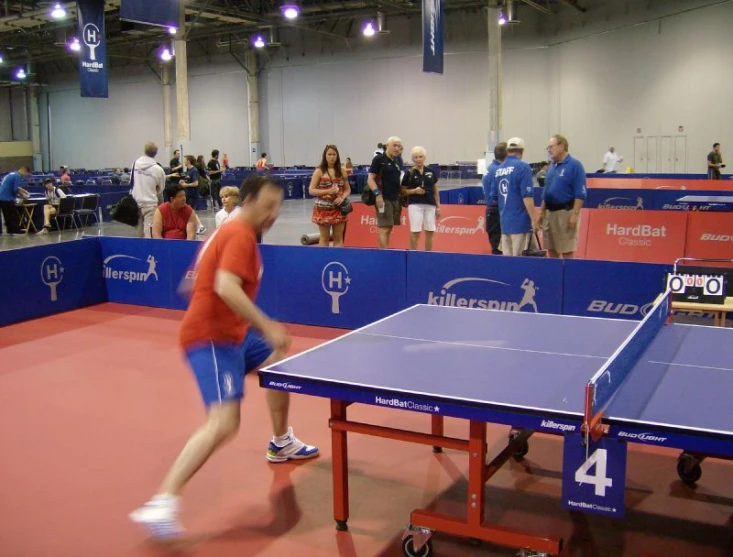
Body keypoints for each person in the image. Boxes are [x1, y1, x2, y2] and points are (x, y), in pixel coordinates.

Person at [129, 175, 318, 539]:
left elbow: (194, 279)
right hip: (211, 338)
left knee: (278, 359)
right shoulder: (238, 234)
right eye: (267, 206)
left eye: (277, 207)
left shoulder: (229, 232)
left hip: (235, 334)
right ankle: (163, 500)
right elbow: (225, 286)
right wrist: (266, 324)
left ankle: (280, 442)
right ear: (247, 201)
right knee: (224, 423)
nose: (273, 214)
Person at [537, 134, 587, 259]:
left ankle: (568, 276)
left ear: (561, 146)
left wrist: (575, 214)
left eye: (551, 147)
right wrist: (541, 212)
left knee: (566, 250)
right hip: (550, 213)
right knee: (551, 249)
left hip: (565, 213)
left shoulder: (575, 165)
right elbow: (546, 192)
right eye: (547, 147)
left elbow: (580, 193)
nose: (549, 150)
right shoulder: (551, 167)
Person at [492, 138, 537, 256]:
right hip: (520, 224)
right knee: (521, 260)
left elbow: (494, 196)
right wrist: (534, 219)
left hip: (505, 224)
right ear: (521, 150)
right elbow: (527, 196)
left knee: (508, 262)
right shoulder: (523, 167)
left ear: (507, 150)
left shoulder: (498, 169)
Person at [308, 144, 351, 247]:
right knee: (324, 238)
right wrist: (328, 191)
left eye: (334, 154)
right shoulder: (319, 172)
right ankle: (324, 262)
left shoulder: (342, 171)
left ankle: (337, 260)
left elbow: (347, 189)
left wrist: (342, 197)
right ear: (325, 156)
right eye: (329, 154)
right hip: (323, 210)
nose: (332, 157)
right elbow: (311, 190)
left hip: (339, 209)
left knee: (338, 237)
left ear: (337, 156)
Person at [367, 136, 403, 249]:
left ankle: (385, 250)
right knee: (384, 227)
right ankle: (383, 253)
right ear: (387, 146)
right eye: (394, 145)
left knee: (390, 227)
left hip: (395, 198)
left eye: (399, 146)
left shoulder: (398, 160)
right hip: (383, 197)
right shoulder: (379, 159)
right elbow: (370, 179)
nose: (397, 148)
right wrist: (378, 195)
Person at [401, 146, 440, 251]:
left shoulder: (431, 172)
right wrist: (414, 191)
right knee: (415, 231)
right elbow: (402, 192)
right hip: (415, 204)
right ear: (413, 159)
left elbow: (436, 191)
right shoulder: (409, 173)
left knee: (430, 231)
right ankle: (413, 254)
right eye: (416, 157)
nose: (418, 159)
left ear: (424, 157)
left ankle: (428, 254)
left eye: (420, 156)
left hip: (430, 204)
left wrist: (438, 207)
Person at [131, 142, 167, 238]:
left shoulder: (135, 165)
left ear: (144, 150)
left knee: (139, 231)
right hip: (150, 203)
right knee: (149, 231)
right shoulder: (158, 169)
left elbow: (132, 182)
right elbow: (161, 188)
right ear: (155, 153)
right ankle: (149, 251)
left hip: (136, 201)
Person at [482, 142, 507, 255]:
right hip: (497, 210)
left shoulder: (490, 168)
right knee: (498, 249)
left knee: (496, 246)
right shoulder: (499, 170)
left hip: (491, 210)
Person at [0, 165, 29, 235]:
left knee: (7, 215)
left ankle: (9, 230)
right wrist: (24, 196)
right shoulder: (17, 176)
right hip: (7, 198)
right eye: (26, 174)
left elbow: (13, 186)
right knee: (13, 215)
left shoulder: (11, 174)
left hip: (1, 197)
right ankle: (16, 230)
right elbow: (15, 189)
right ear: (24, 170)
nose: (25, 176)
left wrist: (23, 190)